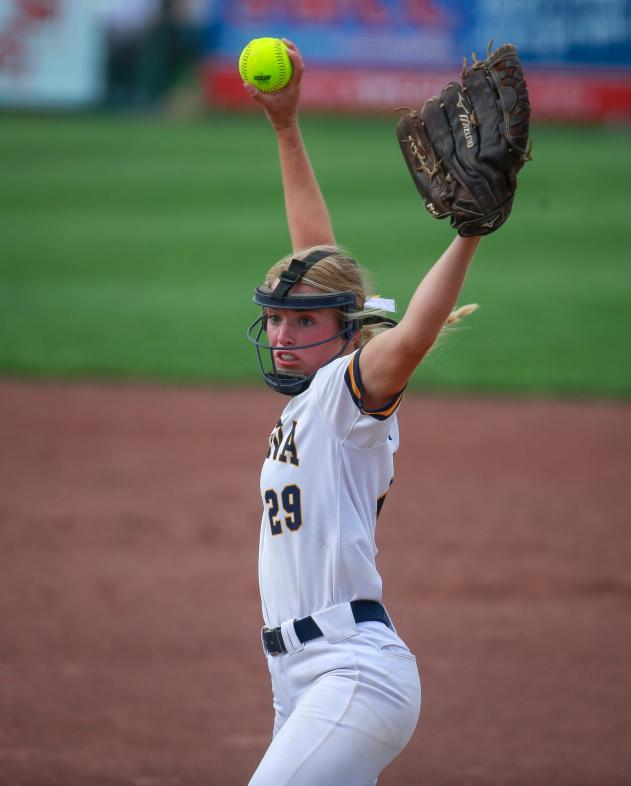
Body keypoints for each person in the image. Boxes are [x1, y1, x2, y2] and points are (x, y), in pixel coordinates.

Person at [243, 39, 481, 786]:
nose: (282, 335)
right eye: (276, 319)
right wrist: (285, 128)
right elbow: (317, 255)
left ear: (345, 333)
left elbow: (408, 338)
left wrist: (469, 230)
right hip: (299, 683)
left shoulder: (351, 390)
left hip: (353, 673)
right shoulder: (324, 384)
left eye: (300, 323)